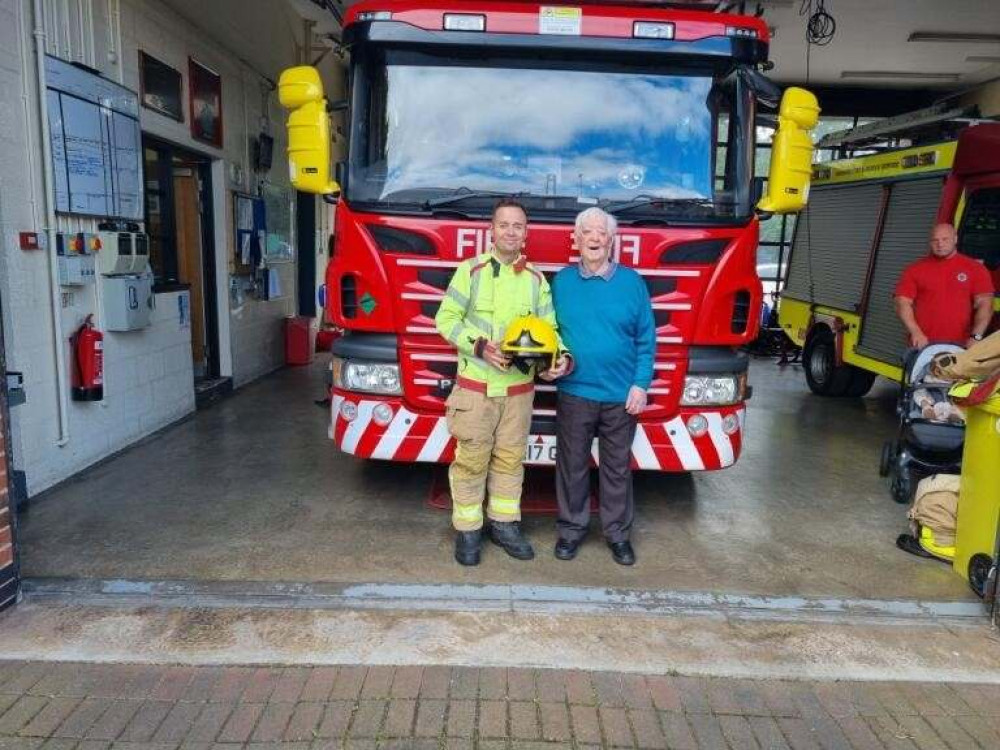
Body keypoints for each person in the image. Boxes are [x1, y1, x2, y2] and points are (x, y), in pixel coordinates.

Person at [435, 199, 569, 566]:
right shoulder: (471, 272)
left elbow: (550, 331)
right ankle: (467, 531)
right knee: (471, 461)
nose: (510, 231)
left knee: (511, 461)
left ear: (526, 234)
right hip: (476, 390)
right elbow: (445, 319)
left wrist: (560, 359)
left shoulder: (537, 281)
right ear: (491, 231)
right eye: (504, 225)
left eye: (518, 226)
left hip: (519, 393)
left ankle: (504, 524)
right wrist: (479, 346)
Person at [550, 207, 655, 566]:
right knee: (572, 466)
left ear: (612, 241)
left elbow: (646, 339)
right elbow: (549, 334)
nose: (595, 239)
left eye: (602, 234)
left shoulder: (632, 283)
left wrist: (640, 385)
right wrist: (551, 365)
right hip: (575, 392)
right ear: (575, 239)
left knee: (616, 469)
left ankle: (617, 535)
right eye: (588, 233)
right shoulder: (561, 282)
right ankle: (570, 531)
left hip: (620, 396)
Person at [894, 223, 993, 350]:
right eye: (935, 240)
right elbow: (901, 302)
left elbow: (986, 304)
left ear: (955, 239)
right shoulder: (915, 269)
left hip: (960, 346)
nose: (940, 244)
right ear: (930, 242)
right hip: (922, 344)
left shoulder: (975, 269)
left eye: (945, 239)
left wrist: (976, 337)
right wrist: (915, 332)